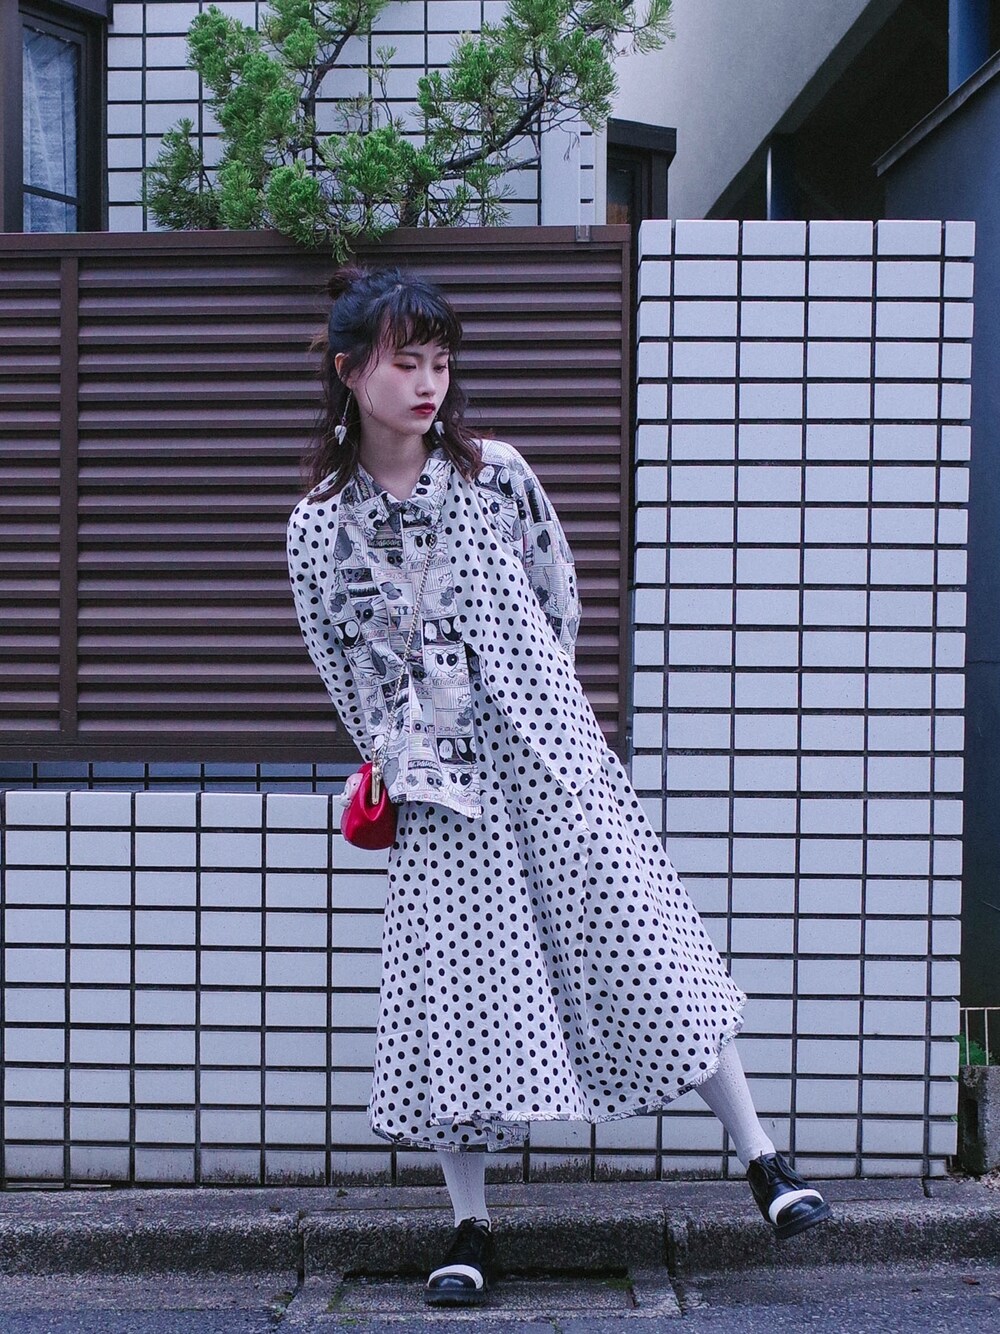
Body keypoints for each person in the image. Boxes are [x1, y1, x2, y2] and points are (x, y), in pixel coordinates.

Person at [285, 262, 831, 1308]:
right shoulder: (320, 524)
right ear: (351, 372)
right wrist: (400, 755)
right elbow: (335, 659)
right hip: (439, 791)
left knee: (646, 939)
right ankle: (469, 1225)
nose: (429, 383)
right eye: (407, 363)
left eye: (441, 362)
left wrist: (546, 716)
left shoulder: (496, 474)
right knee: (454, 993)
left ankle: (763, 1159)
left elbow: (557, 592)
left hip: (552, 753)